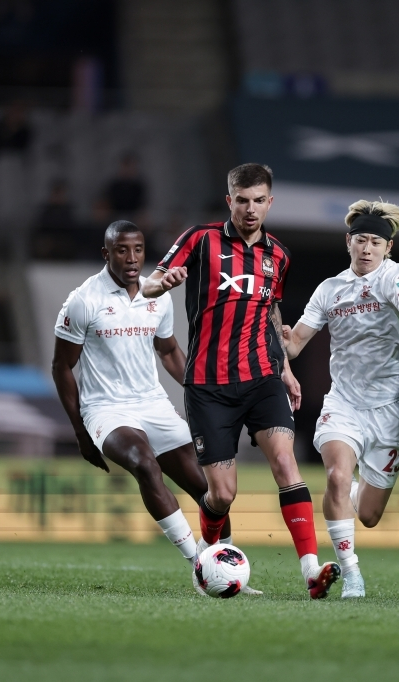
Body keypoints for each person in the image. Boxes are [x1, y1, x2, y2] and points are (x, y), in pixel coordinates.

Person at [142, 163, 341, 599]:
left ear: (270, 203)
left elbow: (272, 311)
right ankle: (208, 562)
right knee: (222, 493)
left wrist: (286, 369)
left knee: (286, 463)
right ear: (229, 199)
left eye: (259, 201)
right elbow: (151, 284)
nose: (250, 209)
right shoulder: (200, 238)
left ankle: (310, 569)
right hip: (208, 385)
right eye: (242, 200)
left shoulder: (280, 256)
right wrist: (165, 283)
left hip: (262, 378)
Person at [50, 221, 259, 594]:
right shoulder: (83, 300)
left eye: (138, 250)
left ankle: (222, 565)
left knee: (211, 490)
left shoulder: (158, 294)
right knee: (145, 464)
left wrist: (207, 395)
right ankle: (201, 564)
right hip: (106, 409)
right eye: (121, 250)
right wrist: (81, 431)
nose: (131, 259)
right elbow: (61, 365)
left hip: (153, 405)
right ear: (106, 254)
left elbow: (168, 352)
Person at [281, 200, 399, 598]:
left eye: (376, 242)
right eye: (360, 240)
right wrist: (279, 333)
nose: (367, 249)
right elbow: (294, 347)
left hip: (390, 410)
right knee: (336, 477)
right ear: (348, 241)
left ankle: (355, 493)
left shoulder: (394, 277)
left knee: (370, 514)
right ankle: (352, 574)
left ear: (388, 248)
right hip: (343, 404)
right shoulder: (330, 290)